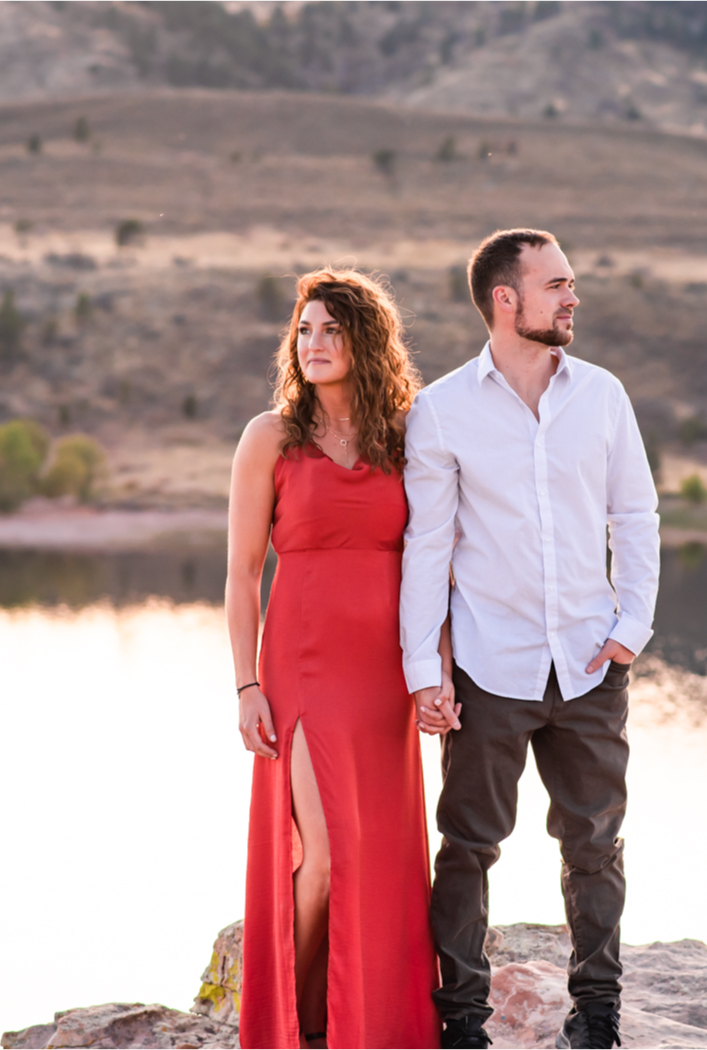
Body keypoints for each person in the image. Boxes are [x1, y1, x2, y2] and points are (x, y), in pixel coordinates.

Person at [400, 229, 661, 1050]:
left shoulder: (602, 396)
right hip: (489, 668)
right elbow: (427, 547)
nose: (572, 297)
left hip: (590, 664)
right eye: (556, 285)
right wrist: (423, 671)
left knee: (594, 846)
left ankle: (597, 1017)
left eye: (571, 283)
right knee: (468, 848)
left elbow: (636, 515)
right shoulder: (441, 410)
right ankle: (463, 1024)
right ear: (504, 299)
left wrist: (631, 628)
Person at [226, 268, 442, 1050]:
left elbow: (436, 564)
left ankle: (364, 1021)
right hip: (303, 671)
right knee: (319, 857)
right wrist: (247, 684)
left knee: (375, 853)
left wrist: (435, 673)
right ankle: (293, 1022)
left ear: (367, 342)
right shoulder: (271, 438)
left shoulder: (406, 437)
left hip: (385, 677)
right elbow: (243, 574)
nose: (313, 344)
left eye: (332, 330)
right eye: (304, 331)